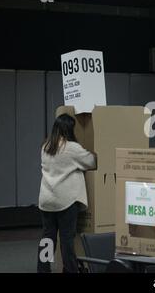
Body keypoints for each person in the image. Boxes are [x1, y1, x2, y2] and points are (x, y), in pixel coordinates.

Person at [37, 114, 96, 273]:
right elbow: (92, 161)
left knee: (48, 239)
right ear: (69, 129)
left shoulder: (46, 146)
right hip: (65, 201)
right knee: (66, 240)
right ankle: (70, 270)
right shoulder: (72, 148)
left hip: (47, 200)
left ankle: (43, 270)